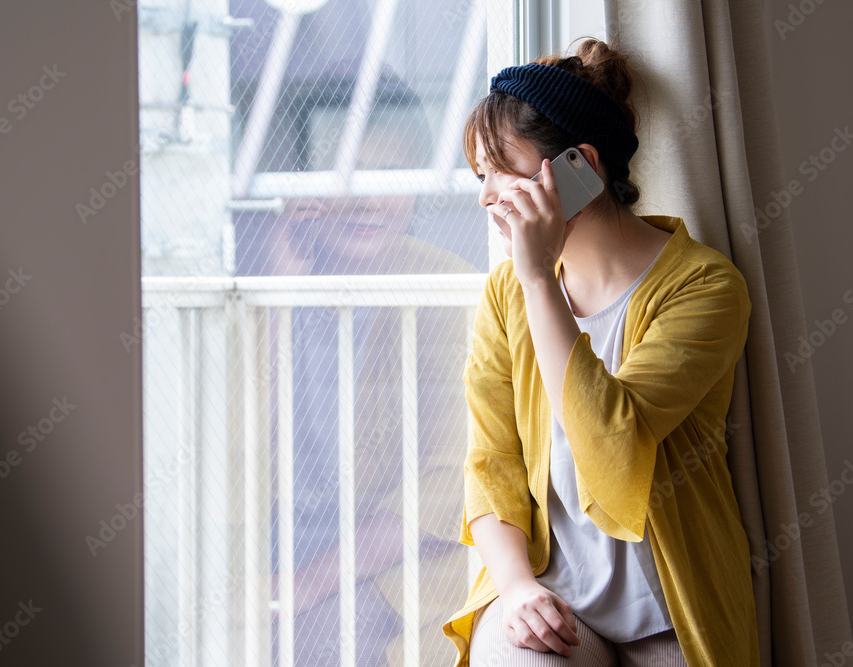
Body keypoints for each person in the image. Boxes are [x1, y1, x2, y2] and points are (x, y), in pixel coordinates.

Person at [442, 39, 760, 666]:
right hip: (549, 591)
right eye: (482, 178)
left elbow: (613, 448)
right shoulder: (506, 291)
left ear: (579, 164)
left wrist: (538, 279)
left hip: (671, 605)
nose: (487, 198)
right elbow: (491, 463)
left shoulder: (705, 287)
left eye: (503, 171)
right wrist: (515, 589)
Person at [261, 69, 476, 666]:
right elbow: (232, 452)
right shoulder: (270, 283)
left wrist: (302, 586)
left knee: (310, 642)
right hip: (278, 555)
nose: (368, 199)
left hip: (400, 563)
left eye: (390, 175)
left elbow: (445, 486)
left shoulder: (447, 289)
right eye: (345, 174)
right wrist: (277, 298)